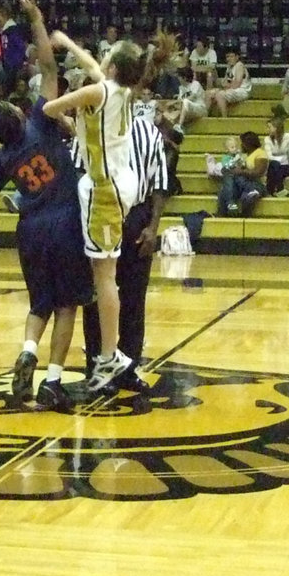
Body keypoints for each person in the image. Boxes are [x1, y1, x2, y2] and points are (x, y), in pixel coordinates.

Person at [0, 0, 94, 412]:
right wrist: (37, 19)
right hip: (65, 221)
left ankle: (27, 351)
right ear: (18, 116)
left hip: (30, 230)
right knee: (67, 303)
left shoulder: (1, 157)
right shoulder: (40, 120)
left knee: (40, 303)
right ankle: (53, 380)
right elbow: (50, 67)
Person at [43, 28, 173, 391]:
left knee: (104, 277)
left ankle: (110, 355)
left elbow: (50, 108)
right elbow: (90, 65)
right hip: (122, 183)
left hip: (102, 189)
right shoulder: (120, 89)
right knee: (107, 275)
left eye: (106, 54)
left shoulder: (97, 91)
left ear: (113, 65)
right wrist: (68, 42)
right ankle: (110, 353)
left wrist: (72, 119)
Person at [80, 111, 169, 394]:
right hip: (100, 211)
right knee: (96, 296)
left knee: (134, 296)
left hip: (136, 216)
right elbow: (77, 173)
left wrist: (153, 227)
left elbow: (160, 183)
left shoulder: (149, 132)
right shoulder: (90, 127)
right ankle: (97, 365)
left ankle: (128, 368)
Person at [216, 131, 267, 217]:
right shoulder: (243, 155)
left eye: (242, 143)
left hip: (255, 183)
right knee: (223, 192)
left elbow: (258, 172)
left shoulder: (260, 153)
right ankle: (223, 217)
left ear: (248, 144)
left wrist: (241, 171)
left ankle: (244, 220)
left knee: (246, 198)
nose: (240, 146)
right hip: (241, 183)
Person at [206, 51, 252, 117]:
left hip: (242, 90)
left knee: (220, 95)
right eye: (227, 57)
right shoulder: (229, 67)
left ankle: (225, 118)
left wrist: (226, 86)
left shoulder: (239, 65)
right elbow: (223, 83)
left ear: (237, 57)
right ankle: (205, 117)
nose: (229, 59)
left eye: (231, 56)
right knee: (208, 93)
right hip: (232, 89)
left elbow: (237, 84)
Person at [163, 66, 206, 134]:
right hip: (188, 110)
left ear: (184, 77)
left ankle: (179, 126)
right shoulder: (181, 88)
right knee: (169, 111)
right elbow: (180, 103)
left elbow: (191, 98)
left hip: (199, 108)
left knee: (185, 101)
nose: (178, 78)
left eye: (179, 76)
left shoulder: (195, 84)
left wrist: (174, 102)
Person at [263, 117, 289, 196]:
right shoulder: (267, 139)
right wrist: (280, 159)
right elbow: (269, 156)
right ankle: (279, 189)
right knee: (275, 165)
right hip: (273, 165)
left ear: (276, 127)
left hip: (285, 165)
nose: (267, 129)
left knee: (278, 170)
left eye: (269, 127)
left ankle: (270, 190)